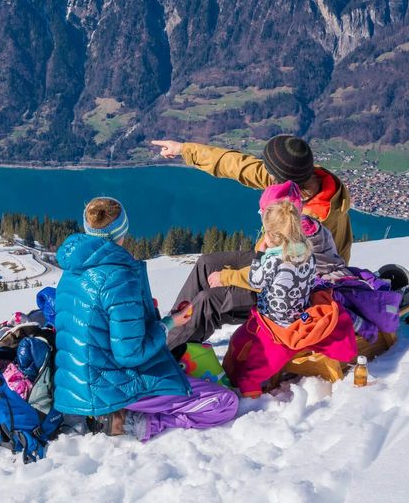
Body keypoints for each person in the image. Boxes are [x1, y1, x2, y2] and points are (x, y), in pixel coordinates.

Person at [54, 197, 238, 440]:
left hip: (74, 386)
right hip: (109, 388)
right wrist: (167, 324)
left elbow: (96, 324)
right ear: (123, 229)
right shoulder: (118, 276)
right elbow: (129, 354)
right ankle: (136, 422)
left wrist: (140, 313)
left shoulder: (72, 269)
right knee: (224, 402)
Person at [151, 135, 353, 348]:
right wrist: (184, 149)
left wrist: (228, 277)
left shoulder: (313, 221)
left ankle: (165, 353)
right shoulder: (296, 180)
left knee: (209, 301)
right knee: (206, 264)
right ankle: (168, 330)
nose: (265, 173)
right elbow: (238, 165)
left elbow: (276, 273)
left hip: (296, 290)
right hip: (272, 259)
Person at [222, 187, 357, 397]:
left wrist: (259, 254)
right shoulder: (308, 254)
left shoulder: (273, 260)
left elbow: (255, 280)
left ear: (270, 235)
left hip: (275, 325)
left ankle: (248, 396)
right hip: (300, 316)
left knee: (246, 355)